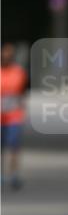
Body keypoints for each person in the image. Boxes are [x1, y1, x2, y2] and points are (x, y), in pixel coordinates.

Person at [1, 43, 29, 190]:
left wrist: (23, 109)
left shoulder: (19, 72)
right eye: (4, 54)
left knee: (13, 146)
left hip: (14, 116)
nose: (6, 57)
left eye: (9, 54)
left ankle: (14, 175)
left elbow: (23, 93)